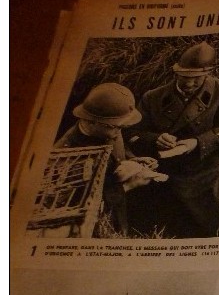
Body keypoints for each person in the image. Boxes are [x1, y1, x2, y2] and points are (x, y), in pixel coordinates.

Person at [129, 41, 219, 237]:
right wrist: (155, 139)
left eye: (196, 79)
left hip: (208, 167)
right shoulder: (152, 97)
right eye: (184, 77)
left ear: (208, 73)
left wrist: (198, 142)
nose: (189, 84)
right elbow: (132, 133)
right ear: (176, 72)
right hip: (168, 171)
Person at [54, 83, 163, 236]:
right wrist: (131, 185)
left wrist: (133, 160)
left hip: (117, 206)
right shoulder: (69, 156)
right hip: (92, 223)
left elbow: (117, 149)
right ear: (91, 121)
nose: (118, 132)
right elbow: (79, 204)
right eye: (116, 127)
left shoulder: (107, 129)